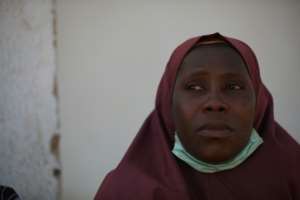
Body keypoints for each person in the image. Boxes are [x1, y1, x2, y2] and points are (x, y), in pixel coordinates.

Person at [94, 33, 300, 199]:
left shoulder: (294, 176)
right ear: (168, 103)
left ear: (259, 102)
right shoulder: (125, 192)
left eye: (234, 87)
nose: (215, 103)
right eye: (194, 87)